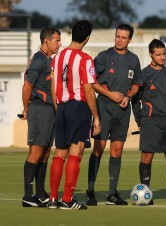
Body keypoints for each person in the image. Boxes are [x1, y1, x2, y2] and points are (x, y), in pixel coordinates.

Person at [85, 24, 142, 206]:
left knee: (117, 151)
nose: (119, 40)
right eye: (117, 36)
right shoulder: (104, 56)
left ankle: (112, 193)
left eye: (123, 37)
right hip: (103, 109)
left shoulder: (134, 60)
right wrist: (109, 94)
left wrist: (127, 96)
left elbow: (136, 85)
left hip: (123, 112)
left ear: (129, 40)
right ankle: (90, 191)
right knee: (99, 149)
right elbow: (91, 81)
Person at [47, 20, 100, 210]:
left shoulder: (58, 57)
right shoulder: (86, 60)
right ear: (87, 38)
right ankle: (68, 199)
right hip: (79, 108)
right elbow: (88, 90)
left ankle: (53, 198)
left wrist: (59, 109)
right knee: (75, 153)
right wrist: (96, 117)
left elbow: (53, 89)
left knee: (59, 153)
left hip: (61, 108)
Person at [131, 38, 166, 205]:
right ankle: (146, 192)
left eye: (164, 54)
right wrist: (140, 120)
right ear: (150, 55)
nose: (162, 57)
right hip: (151, 121)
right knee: (147, 156)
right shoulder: (143, 74)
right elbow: (135, 100)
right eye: (158, 54)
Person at [21, 27, 61, 207]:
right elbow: (28, 85)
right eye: (57, 41)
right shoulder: (38, 59)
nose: (59, 44)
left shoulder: (49, 60)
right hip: (39, 109)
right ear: (46, 41)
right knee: (36, 151)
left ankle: (40, 192)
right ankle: (28, 196)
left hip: (49, 111)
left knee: (45, 153)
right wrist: (26, 109)